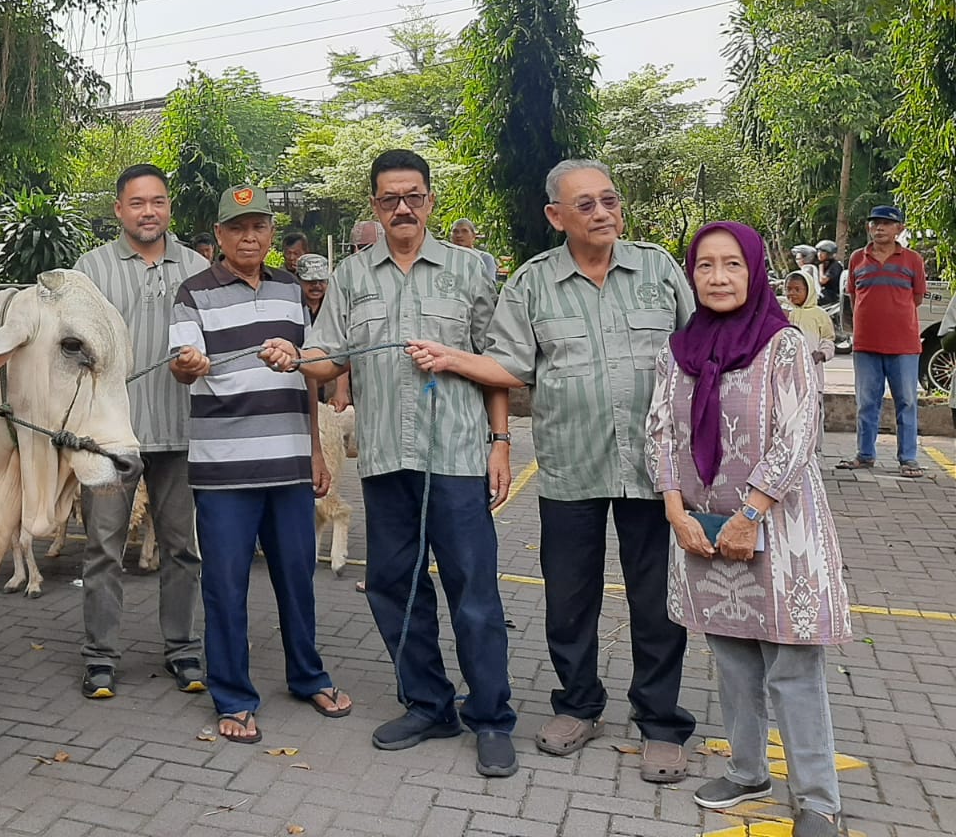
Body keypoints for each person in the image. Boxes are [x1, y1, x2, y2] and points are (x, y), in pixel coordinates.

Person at [411, 158, 697, 782]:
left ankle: (660, 722)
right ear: (555, 216)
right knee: (570, 599)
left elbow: (701, 350)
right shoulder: (535, 283)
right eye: (586, 205)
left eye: (609, 201)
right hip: (570, 466)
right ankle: (578, 705)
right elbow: (510, 366)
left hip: (656, 470)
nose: (602, 213)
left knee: (655, 601)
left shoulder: (657, 269)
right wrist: (454, 358)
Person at [271, 150, 518, 777]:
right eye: (388, 199)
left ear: (430, 200)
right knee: (393, 586)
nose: (402, 208)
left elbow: (501, 365)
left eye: (412, 196)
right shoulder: (353, 279)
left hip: (458, 456)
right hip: (385, 458)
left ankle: (490, 716)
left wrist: (500, 441)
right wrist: (294, 357)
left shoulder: (469, 271)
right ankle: (429, 703)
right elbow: (329, 358)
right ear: (375, 207)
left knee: (474, 592)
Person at [647, 222, 850, 837]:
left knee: (791, 666)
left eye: (731, 264)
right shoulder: (677, 349)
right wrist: (675, 510)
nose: (717, 277)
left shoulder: (782, 344)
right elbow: (659, 432)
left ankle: (817, 800)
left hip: (779, 529)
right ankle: (746, 771)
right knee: (731, 658)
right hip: (703, 530)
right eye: (705, 266)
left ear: (754, 269)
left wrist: (752, 511)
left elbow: (797, 436)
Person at [169, 185, 351, 744]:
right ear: (220, 236)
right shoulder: (192, 292)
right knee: (225, 585)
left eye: (259, 227)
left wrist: (317, 450)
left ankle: (307, 675)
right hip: (223, 469)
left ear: (271, 234)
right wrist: (191, 363)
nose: (250, 237)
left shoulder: (291, 290)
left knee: (297, 578)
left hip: (290, 463)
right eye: (237, 228)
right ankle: (233, 696)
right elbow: (182, 366)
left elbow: (311, 372)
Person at [73, 164, 209, 700]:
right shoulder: (92, 270)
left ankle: (183, 650)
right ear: (119, 210)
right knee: (103, 550)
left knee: (182, 548)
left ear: (169, 207)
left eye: (157, 202)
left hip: (181, 431)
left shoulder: (199, 268)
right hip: (112, 437)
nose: (148, 211)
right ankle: (100, 657)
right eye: (137, 203)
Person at [838, 204, 925, 477]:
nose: (879, 228)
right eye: (874, 223)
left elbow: (917, 297)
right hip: (865, 345)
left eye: (886, 224)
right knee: (866, 403)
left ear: (899, 229)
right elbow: (854, 297)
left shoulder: (913, 260)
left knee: (907, 402)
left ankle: (908, 459)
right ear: (868, 227)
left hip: (904, 346)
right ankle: (865, 455)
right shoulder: (857, 259)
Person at [783, 271, 835, 364]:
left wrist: (822, 353)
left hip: (811, 364)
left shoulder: (819, 314)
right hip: (786, 365)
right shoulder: (782, 310)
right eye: (788, 289)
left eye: (797, 289)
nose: (792, 293)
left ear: (808, 290)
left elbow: (828, 339)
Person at [449, 217, 500, 281]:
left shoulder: (485, 258)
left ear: (473, 236)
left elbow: (489, 287)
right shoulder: (446, 258)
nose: (459, 235)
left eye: (464, 231)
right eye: (455, 231)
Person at [296, 252, 331, 322]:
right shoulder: (292, 306)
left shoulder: (334, 307)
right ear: (299, 280)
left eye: (321, 281)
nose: (316, 285)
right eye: (311, 281)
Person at [815, 240, 843, 308]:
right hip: (824, 294)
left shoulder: (835, 265)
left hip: (832, 296)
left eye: (823, 252)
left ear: (829, 254)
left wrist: (820, 266)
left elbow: (822, 280)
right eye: (818, 251)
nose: (819, 254)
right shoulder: (825, 265)